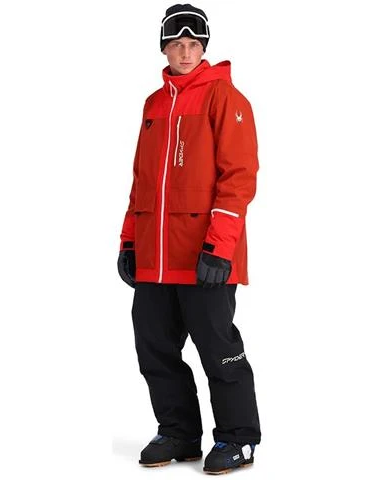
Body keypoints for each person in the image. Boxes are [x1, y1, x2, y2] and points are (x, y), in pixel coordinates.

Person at [117, 3, 261, 474]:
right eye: (176, 44)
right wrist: (129, 241)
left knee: (218, 351)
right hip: (156, 257)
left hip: (205, 257)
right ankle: (179, 433)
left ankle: (239, 439)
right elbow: (142, 181)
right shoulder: (154, 104)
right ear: (164, 48)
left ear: (204, 48)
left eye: (193, 44)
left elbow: (239, 179)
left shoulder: (225, 97)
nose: (185, 52)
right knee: (154, 347)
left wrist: (219, 247)